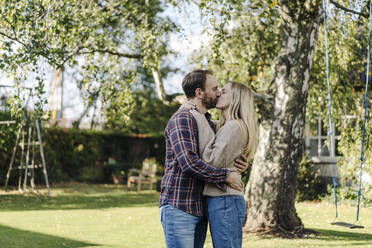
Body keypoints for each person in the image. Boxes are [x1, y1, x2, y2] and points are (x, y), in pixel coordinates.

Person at [159, 70, 249, 248]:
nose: (218, 92)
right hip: (180, 206)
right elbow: (188, 163)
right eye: (214, 88)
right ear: (199, 92)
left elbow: (222, 155)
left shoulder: (207, 122)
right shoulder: (183, 118)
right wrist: (226, 176)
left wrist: (244, 166)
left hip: (200, 208)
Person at [197, 81, 258, 248]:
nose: (218, 94)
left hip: (225, 198)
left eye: (224, 92)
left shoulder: (233, 127)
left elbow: (211, 162)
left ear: (236, 99)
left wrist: (206, 140)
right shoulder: (229, 126)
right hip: (224, 198)